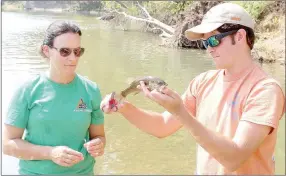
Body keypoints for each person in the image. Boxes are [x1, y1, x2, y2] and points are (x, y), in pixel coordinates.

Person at [100, 3, 285, 175]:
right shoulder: (203, 82)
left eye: (213, 40)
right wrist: (123, 106)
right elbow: (162, 126)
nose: (208, 49)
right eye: (205, 43)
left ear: (240, 36)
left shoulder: (265, 90)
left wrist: (182, 113)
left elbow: (234, 158)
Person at [3, 20, 105, 175]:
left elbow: (99, 136)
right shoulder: (28, 90)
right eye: (65, 51)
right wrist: (50, 153)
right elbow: (7, 145)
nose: (73, 58)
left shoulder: (91, 90)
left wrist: (99, 144)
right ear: (46, 50)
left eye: (77, 51)